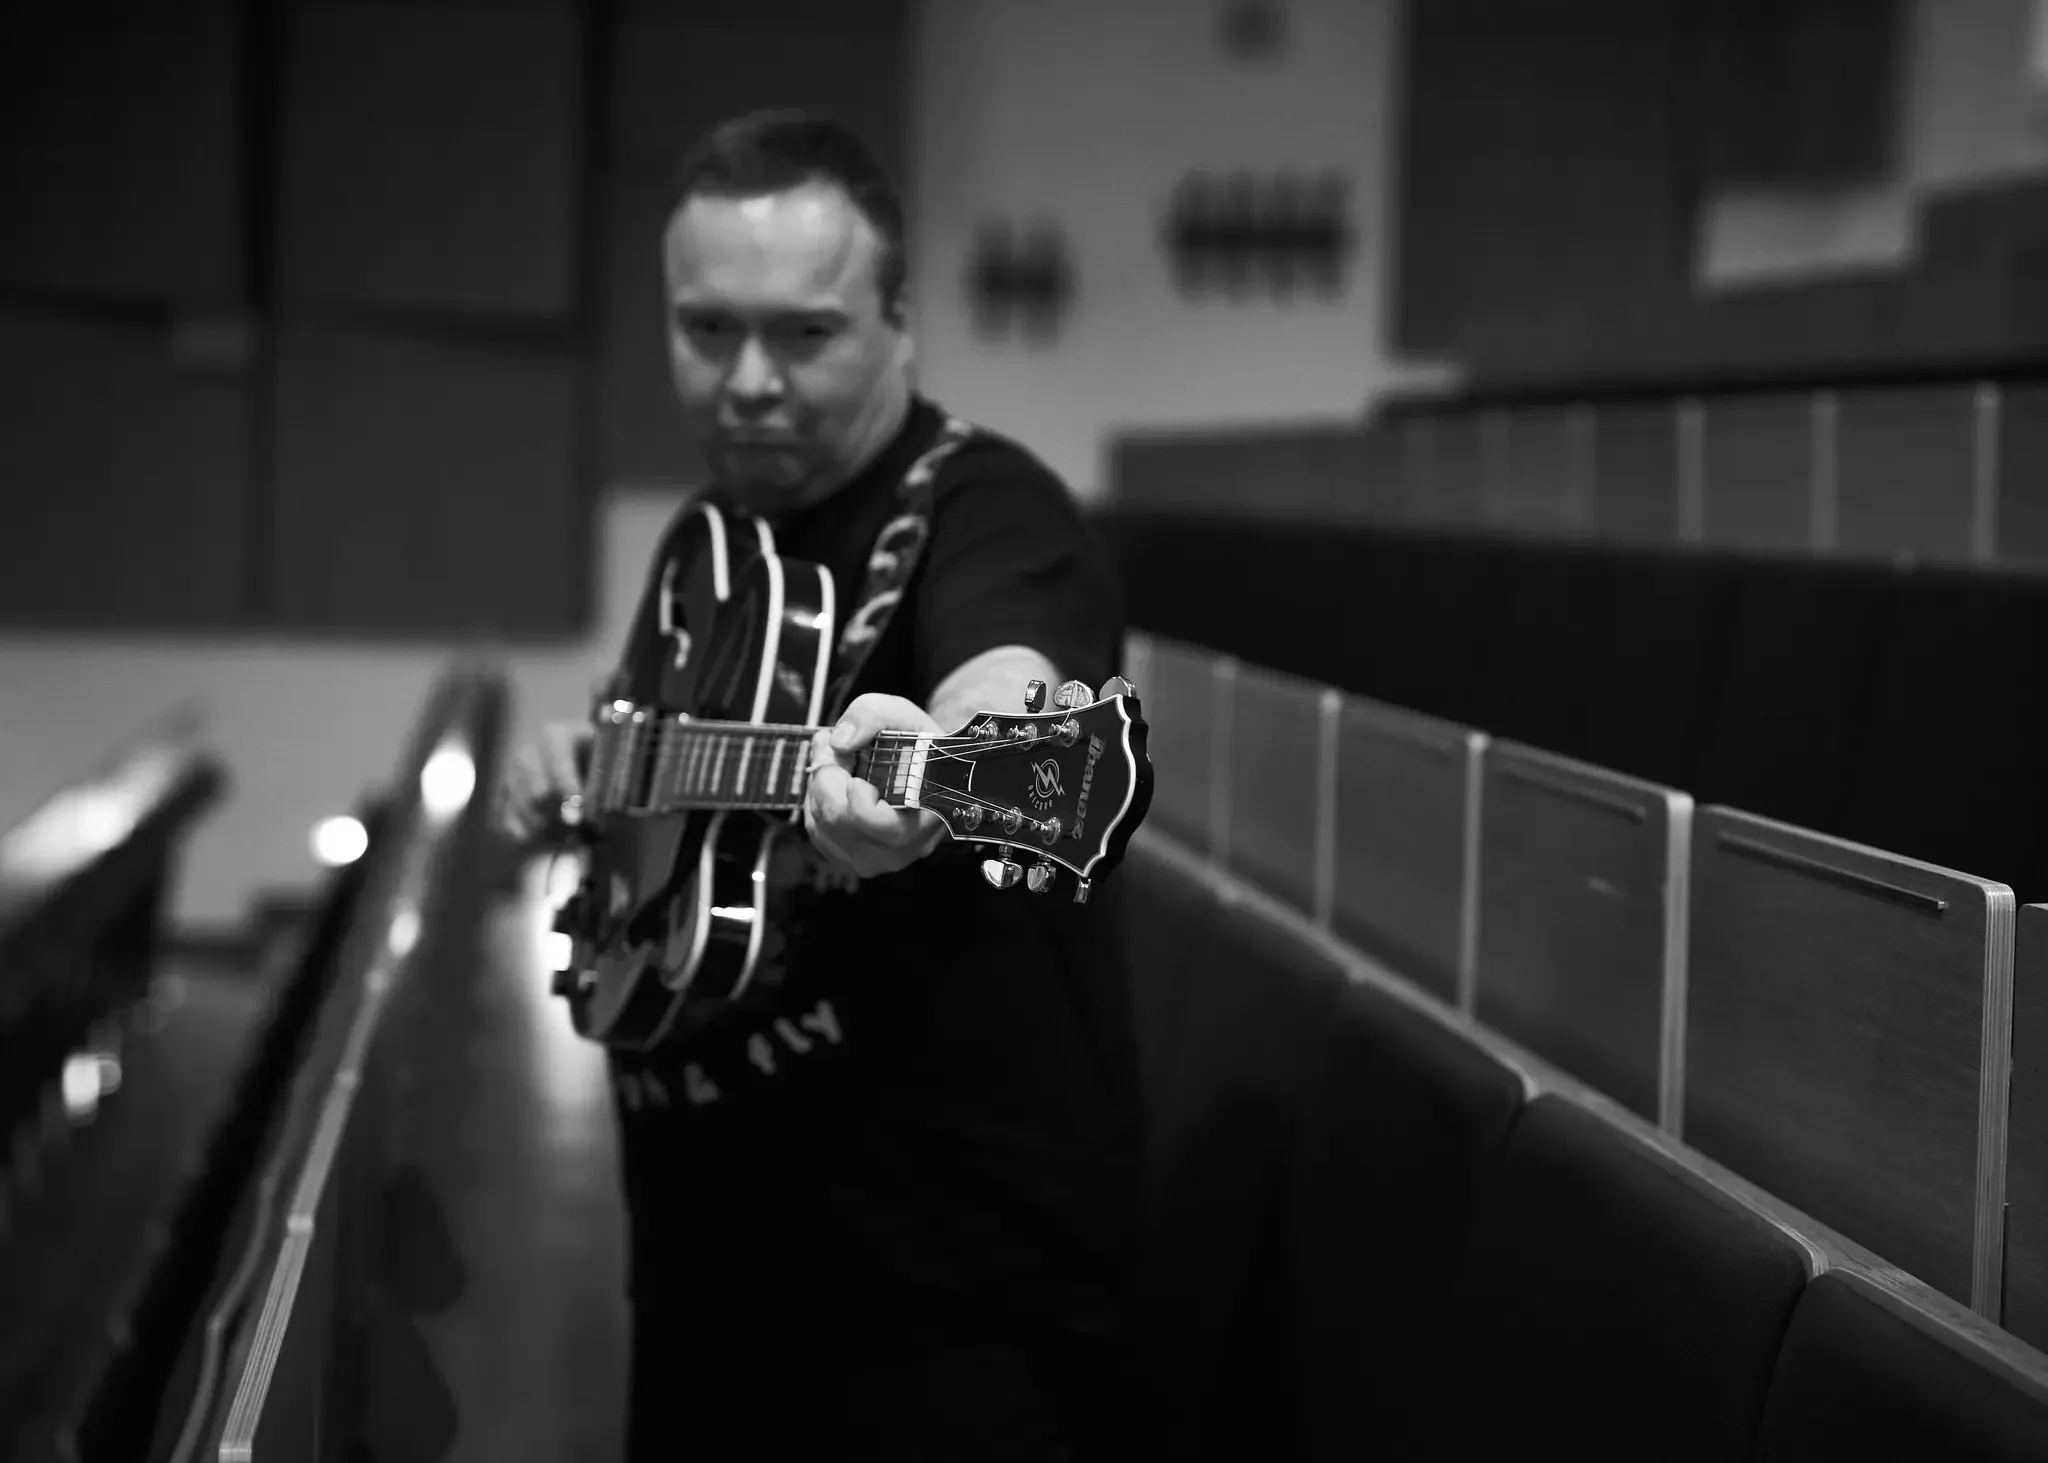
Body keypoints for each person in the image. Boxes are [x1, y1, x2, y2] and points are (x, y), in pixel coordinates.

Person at [496, 110, 1143, 1461]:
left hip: (936, 1321)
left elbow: (1011, 679)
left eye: (804, 333)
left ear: (901, 323)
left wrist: (938, 756)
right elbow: (671, 782)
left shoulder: (993, 514)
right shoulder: (713, 535)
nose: (745, 380)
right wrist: (599, 765)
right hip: (705, 1274)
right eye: (705, 328)